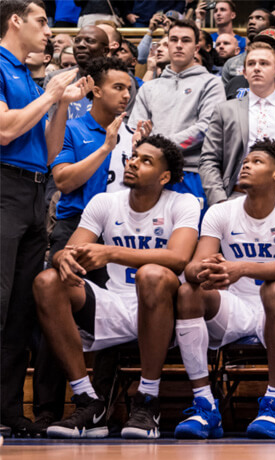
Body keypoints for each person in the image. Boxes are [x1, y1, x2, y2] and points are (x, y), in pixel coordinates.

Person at [34, 134, 200, 439]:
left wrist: (111, 252)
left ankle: (148, 400)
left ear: (165, 176)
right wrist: (63, 260)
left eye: (145, 160)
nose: (133, 162)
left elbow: (178, 258)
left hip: (164, 310)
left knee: (151, 274)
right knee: (47, 281)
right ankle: (88, 401)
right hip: (114, 305)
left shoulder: (183, 203)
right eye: (134, 156)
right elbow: (68, 251)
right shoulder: (105, 201)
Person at [171, 138, 275, 440]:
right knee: (187, 293)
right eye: (246, 160)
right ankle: (205, 403)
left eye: (257, 161)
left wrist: (240, 267)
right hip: (233, 305)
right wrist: (208, 271)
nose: (246, 164)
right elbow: (193, 268)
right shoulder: (220, 211)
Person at [0, 0, 92, 437]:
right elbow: (3, 130)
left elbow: (51, 151)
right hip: (4, 188)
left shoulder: (26, 74)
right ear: (15, 21)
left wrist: (59, 105)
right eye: (41, 21)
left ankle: (9, 411)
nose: (49, 31)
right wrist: (52, 94)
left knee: (19, 310)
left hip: (36, 192)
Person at [198, 41, 275, 209]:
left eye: (264, 63)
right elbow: (208, 159)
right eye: (251, 64)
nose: (256, 68)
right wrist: (219, 201)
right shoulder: (224, 110)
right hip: (235, 198)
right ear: (244, 73)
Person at [50, 57, 152, 258]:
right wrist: (106, 148)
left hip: (121, 227)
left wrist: (141, 153)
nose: (126, 95)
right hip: (75, 223)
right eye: (118, 87)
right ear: (96, 91)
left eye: (128, 88)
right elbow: (63, 182)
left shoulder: (134, 135)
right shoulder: (70, 129)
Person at [129, 19, 227, 209]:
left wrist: (158, 147)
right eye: (173, 39)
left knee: (190, 237)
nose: (179, 45)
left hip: (190, 172)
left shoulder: (211, 83)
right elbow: (136, 131)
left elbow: (207, 128)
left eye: (186, 40)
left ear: (196, 47)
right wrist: (146, 145)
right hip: (151, 173)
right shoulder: (149, 88)